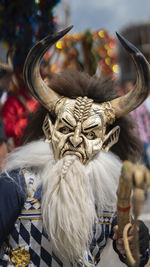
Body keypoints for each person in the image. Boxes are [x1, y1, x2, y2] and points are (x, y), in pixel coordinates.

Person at [0, 27, 149, 266]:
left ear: (108, 139)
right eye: (66, 128)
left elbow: (133, 255)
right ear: (49, 131)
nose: (76, 139)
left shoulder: (109, 197)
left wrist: (137, 237)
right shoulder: (16, 185)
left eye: (90, 132)